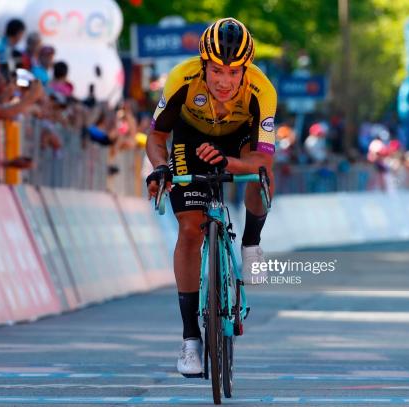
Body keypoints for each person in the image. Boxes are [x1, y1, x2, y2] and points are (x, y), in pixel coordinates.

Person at [144, 18, 276, 377]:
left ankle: (251, 245)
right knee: (190, 231)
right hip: (189, 141)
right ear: (204, 65)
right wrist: (159, 168)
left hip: (239, 143)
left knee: (261, 177)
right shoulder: (181, 80)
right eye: (217, 71)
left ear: (245, 70)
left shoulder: (261, 90)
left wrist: (232, 163)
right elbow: (156, 138)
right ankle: (190, 340)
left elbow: (262, 158)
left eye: (234, 73)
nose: (224, 81)